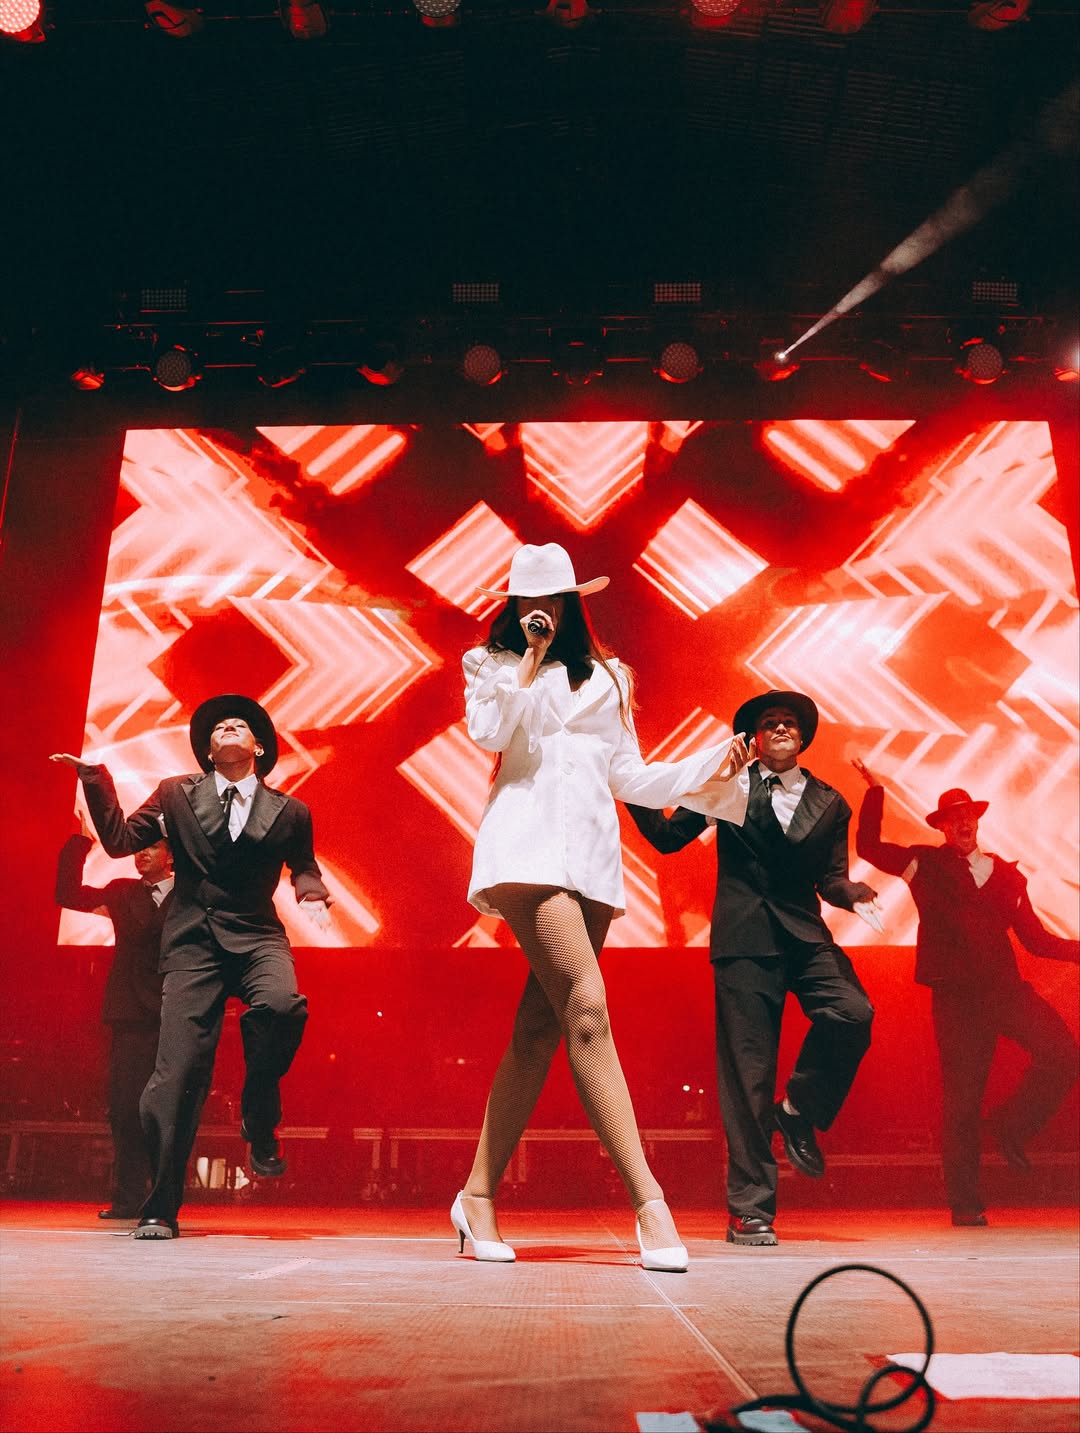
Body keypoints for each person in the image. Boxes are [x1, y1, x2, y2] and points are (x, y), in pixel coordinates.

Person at [454, 542, 751, 1271]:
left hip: (590, 863)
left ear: (570, 603)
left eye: (551, 600)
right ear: (515, 607)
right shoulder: (489, 665)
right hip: (523, 853)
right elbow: (489, 734)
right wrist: (526, 664)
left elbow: (630, 777)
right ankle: (651, 1202)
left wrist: (710, 765)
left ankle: (476, 1196)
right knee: (587, 1008)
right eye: (527, 601)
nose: (539, 611)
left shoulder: (612, 677)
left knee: (538, 1030)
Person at [50, 695, 331, 1239]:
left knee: (282, 1006)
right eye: (219, 726)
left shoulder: (291, 811)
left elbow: (304, 865)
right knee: (173, 1078)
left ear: (259, 747)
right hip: (193, 944)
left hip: (256, 935)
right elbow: (121, 841)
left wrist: (312, 893)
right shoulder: (176, 793)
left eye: (240, 725)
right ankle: (160, 1204)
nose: (228, 726)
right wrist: (95, 779)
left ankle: (258, 1115)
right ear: (207, 751)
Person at [628, 690, 881, 1247]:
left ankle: (798, 1110)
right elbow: (668, 838)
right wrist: (632, 786)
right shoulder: (730, 786)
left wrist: (855, 893)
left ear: (802, 735)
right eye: (770, 722)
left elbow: (831, 879)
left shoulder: (830, 801)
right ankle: (750, 1211)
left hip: (804, 935)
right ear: (756, 738)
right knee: (749, 1076)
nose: (781, 727)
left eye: (790, 721)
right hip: (745, 940)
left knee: (853, 1011)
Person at [853, 767, 1079, 1226]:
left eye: (969, 815)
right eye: (953, 817)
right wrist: (875, 792)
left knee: (1063, 1053)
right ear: (942, 826)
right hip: (957, 1000)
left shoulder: (1007, 877)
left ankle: (1011, 1126)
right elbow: (869, 849)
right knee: (962, 1099)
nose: (963, 822)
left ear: (976, 822)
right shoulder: (925, 864)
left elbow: (1036, 941)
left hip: (1004, 991)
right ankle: (965, 1203)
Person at [55, 815, 173, 1220]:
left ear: (171, 855)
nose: (142, 853)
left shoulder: (192, 895)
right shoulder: (122, 892)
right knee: (125, 1108)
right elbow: (68, 894)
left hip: (177, 1014)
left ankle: (164, 1198)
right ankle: (127, 1198)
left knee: (169, 1110)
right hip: (131, 1015)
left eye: (152, 846)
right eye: (139, 846)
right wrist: (79, 843)